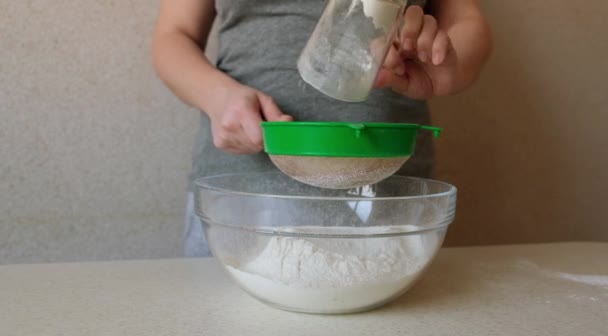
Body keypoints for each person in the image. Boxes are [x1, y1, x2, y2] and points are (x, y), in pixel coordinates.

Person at [151, 0, 492, 257]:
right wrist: (216, 96)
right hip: (244, 191)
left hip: (387, 199)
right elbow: (173, 35)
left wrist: (442, 59)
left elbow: (467, 21)